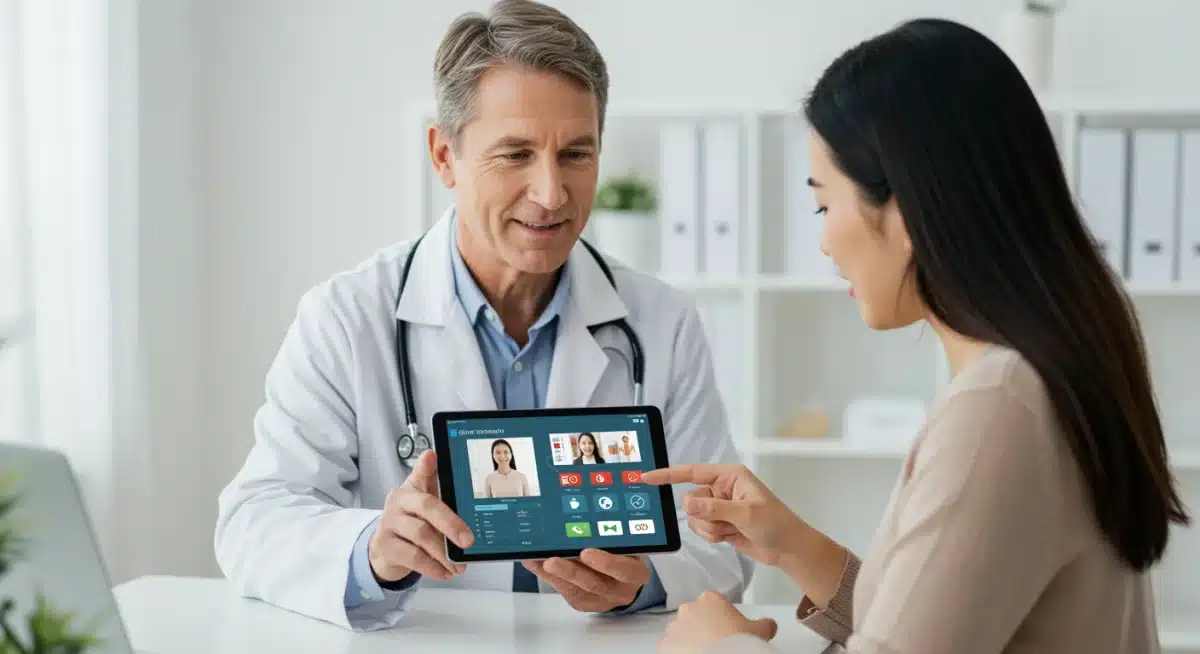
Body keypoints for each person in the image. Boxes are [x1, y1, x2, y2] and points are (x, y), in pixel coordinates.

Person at [646, 18, 1191, 654]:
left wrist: (717, 646)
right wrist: (794, 545)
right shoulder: (1049, 367)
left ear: (903, 212)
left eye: (825, 205)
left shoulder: (1001, 406)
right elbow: (935, 623)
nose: (824, 241)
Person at [213, 0, 752, 633]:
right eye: (516, 154)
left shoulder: (660, 321)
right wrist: (372, 550)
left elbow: (724, 538)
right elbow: (254, 520)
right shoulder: (347, 317)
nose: (552, 194)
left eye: (576, 154)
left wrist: (643, 581)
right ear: (444, 155)